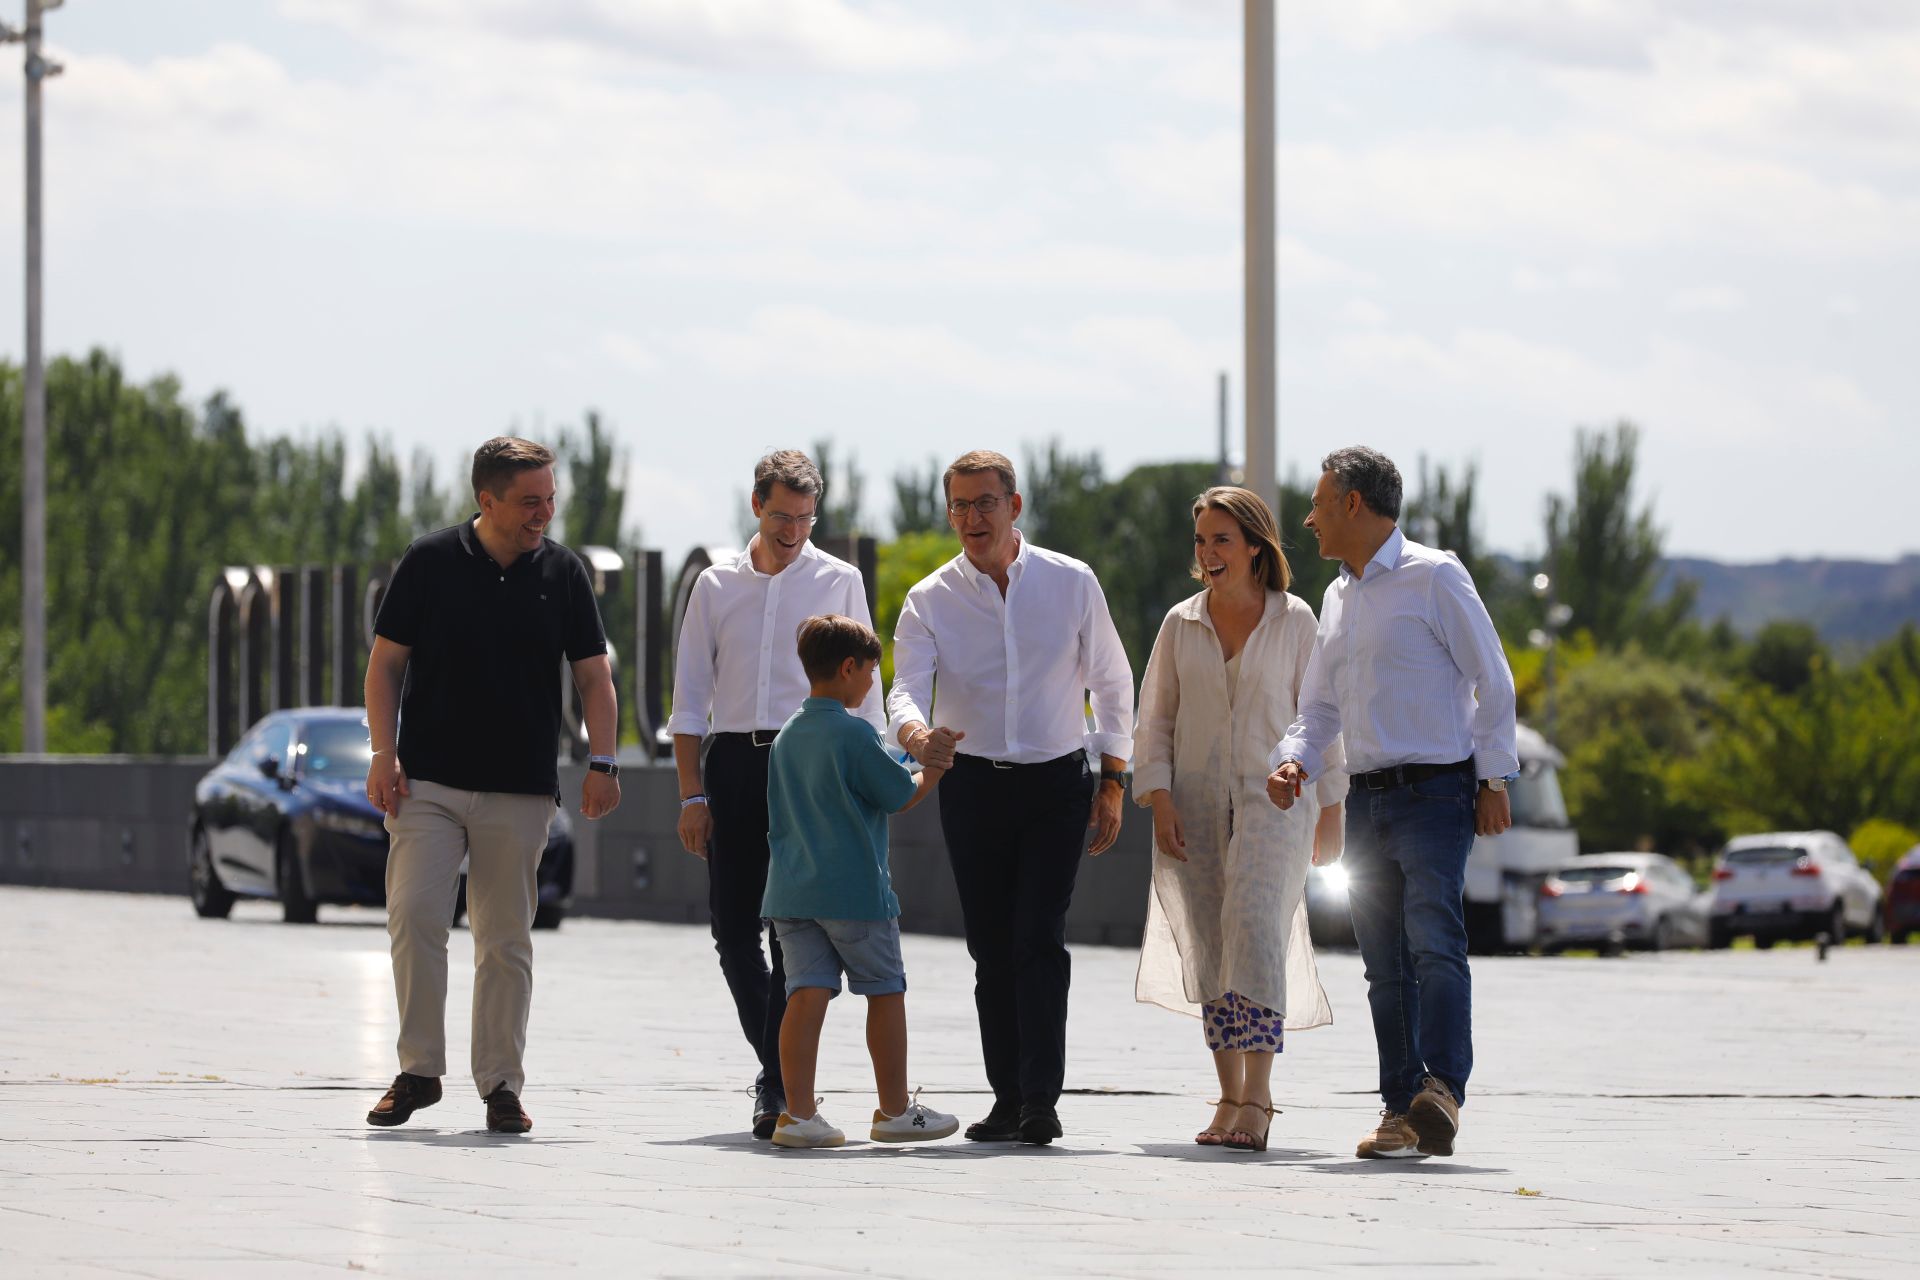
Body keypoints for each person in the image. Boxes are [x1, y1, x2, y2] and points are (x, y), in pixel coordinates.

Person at [363, 436, 620, 1134]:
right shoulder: (429, 561)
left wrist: (603, 762)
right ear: (487, 499)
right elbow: (385, 666)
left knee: (504, 938)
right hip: (429, 783)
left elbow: (594, 676)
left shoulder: (563, 574)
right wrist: (382, 752)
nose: (545, 512)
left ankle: (501, 1083)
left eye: (550, 498)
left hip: (520, 788)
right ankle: (418, 1072)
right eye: (529, 501)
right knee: (415, 915)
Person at [1267, 446, 1516, 1161]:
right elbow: (1318, 707)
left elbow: (1493, 679)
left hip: (1438, 792)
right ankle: (1399, 1111)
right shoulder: (1337, 597)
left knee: (1436, 942)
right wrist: (1293, 762)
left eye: (1318, 503)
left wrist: (1494, 777)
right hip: (1368, 798)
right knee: (1383, 963)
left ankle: (1441, 1091)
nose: (1308, 519)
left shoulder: (1434, 577)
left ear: (1353, 503)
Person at [887, 449, 1135, 1146]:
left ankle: (1040, 1101)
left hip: (1058, 783)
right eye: (959, 505)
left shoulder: (1070, 582)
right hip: (970, 787)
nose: (971, 517)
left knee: (1038, 938)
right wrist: (913, 729)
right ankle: (1006, 1098)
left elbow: (1114, 683)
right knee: (990, 948)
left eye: (985, 502)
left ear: (1014, 506)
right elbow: (903, 686)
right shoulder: (930, 598)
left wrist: (1113, 779)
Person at [668, 450, 885, 1139]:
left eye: (803, 517)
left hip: (810, 765)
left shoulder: (838, 579)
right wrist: (689, 796)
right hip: (732, 764)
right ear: (756, 505)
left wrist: (865, 784)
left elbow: (866, 693)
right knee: (733, 931)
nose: (792, 530)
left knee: (791, 931)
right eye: (779, 515)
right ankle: (780, 1066)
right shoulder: (714, 585)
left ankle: (777, 1086)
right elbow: (689, 698)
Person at [1132, 487, 1346, 1153]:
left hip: (1276, 802)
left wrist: (1331, 807)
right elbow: (1155, 720)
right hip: (1191, 804)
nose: (1208, 553)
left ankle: (1259, 1097)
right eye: (1201, 541)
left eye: (1221, 539)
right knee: (1208, 946)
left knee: (1254, 931)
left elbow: (1322, 717)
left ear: (1256, 545)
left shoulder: (1297, 621)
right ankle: (1227, 1096)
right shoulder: (1179, 623)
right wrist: (1159, 800)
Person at [762, 614, 960, 1149]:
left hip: (790, 893)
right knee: (885, 990)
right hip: (854, 894)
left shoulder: (787, 735)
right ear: (848, 668)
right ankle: (894, 1110)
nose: (872, 683)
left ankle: (798, 1115)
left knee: (804, 994)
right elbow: (901, 794)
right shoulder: (853, 733)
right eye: (870, 672)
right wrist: (934, 765)